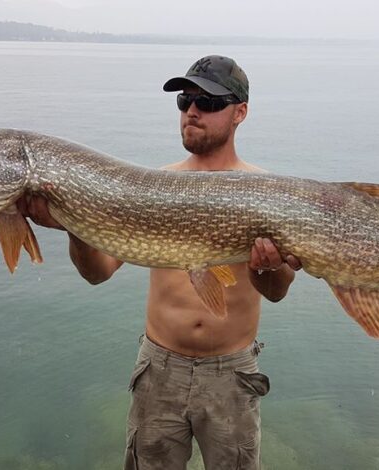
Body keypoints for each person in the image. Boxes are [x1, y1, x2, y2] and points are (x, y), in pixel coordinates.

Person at [18, 55, 302, 469]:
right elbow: (97, 273)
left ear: (240, 112)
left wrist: (266, 265)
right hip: (159, 370)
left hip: (231, 373)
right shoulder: (149, 188)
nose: (192, 111)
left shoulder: (265, 194)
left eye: (207, 103)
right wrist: (73, 223)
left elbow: (276, 293)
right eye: (185, 101)